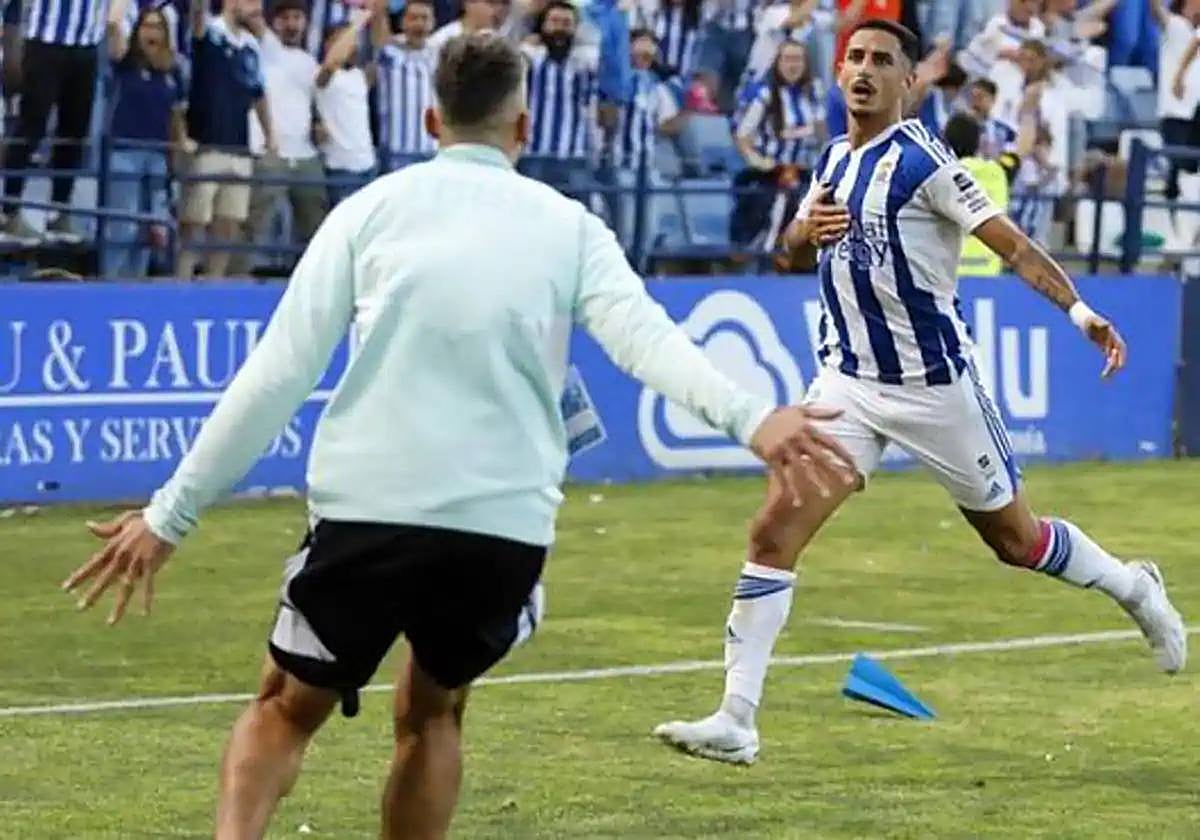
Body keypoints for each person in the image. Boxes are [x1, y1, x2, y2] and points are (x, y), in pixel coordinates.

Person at [61, 32, 854, 840]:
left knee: (285, 705)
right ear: (524, 127)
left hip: (368, 509)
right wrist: (753, 418)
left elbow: (276, 376)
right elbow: (648, 342)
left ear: (431, 120)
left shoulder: (369, 212)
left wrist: (169, 516)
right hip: (499, 524)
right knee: (433, 711)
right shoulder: (568, 225)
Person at [654, 19, 1186, 766]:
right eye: (855, 58)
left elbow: (1012, 245)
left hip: (935, 389)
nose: (864, 70)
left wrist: (1080, 312)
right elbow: (788, 256)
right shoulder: (832, 160)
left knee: (1017, 542)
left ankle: (1133, 588)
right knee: (774, 532)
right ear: (840, 73)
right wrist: (805, 232)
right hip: (847, 385)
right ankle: (736, 719)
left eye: (882, 61)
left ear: (909, 82)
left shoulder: (924, 161)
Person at [177, 0, 276, 280]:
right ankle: (181, 279)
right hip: (206, 142)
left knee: (229, 222)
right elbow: (197, 14)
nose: (257, 8)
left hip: (239, 145)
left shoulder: (251, 45)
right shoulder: (209, 31)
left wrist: (270, 134)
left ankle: (214, 281)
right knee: (195, 219)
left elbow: (258, 91)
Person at [231, 0, 330, 276]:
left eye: (297, 17)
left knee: (317, 228)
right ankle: (235, 282)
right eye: (285, 18)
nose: (292, 24)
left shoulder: (308, 61)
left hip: (305, 154)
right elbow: (252, 18)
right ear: (273, 22)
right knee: (253, 224)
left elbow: (312, 97)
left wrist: (318, 124)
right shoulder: (261, 48)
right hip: (269, 151)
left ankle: (313, 284)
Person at [3, 0, 107, 244]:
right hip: (45, 40)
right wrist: (11, 45)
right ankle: (9, 209)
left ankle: (60, 210)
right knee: (31, 127)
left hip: (88, 43)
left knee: (75, 132)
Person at [102, 0, 188, 278]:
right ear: (138, 30)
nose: (152, 32)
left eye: (158, 27)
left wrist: (179, 147)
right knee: (123, 227)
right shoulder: (126, 61)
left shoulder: (173, 69)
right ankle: (111, 284)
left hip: (159, 155)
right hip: (125, 151)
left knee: (151, 231)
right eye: (147, 26)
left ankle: (137, 286)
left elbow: (176, 114)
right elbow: (112, 27)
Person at [731, 40, 826, 252]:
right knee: (772, 206)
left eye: (798, 59)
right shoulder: (765, 95)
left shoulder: (813, 93)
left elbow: (821, 132)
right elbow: (743, 136)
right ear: (778, 63)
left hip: (803, 171)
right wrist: (759, 161)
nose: (793, 65)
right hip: (770, 172)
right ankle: (765, 252)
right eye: (787, 59)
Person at [612, 28, 684, 256]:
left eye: (650, 46)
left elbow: (670, 124)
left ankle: (642, 266)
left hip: (648, 164)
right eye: (641, 44)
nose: (646, 51)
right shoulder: (614, 81)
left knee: (649, 229)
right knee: (624, 229)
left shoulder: (657, 85)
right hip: (619, 164)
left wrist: (686, 106)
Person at [520, 0, 600, 193]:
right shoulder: (529, 60)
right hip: (534, 155)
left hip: (574, 156)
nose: (560, 29)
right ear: (543, 26)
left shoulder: (585, 64)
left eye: (566, 23)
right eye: (554, 22)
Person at [943, 112, 1019, 277]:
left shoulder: (939, 176)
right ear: (978, 142)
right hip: (988, 271)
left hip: (948, 272)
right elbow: (1017, 154)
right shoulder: (998, 172)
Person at [317, 7, 381, 205]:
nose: (351, 45)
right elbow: (333, 61)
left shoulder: (359, 76)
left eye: (354, 42)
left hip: (368, 165)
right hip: (340, 169)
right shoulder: (322, 77)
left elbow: (381, 52)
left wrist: (377, 14)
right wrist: (356, 24)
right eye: (344, 41)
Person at [374, 0, 438, 169]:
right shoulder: (390, 54)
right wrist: (380, 11)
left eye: (424, 18)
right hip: (398, 153)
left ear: (433, 23)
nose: (419, 24)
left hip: (432, 150)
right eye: (413, 18)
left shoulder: (438, 55)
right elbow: (379, 32)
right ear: (402, 22)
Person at [1155, 0, 1200, 202]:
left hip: (1197, 112)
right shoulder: (1174, 25)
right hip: (1175, 111)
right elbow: (1156, 10)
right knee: (1178, 171)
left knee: (1192, 175)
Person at [965, 77, 1018, 160]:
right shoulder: (959, 125)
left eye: (980, 97)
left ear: (993, 99)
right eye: (973, 97)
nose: (975, 101)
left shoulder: (1004, 130)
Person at [427, 0, 496, 56]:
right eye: (490, 2)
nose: (495, 10)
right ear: (469, 3)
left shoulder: (494, 36)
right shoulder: (442, 39)